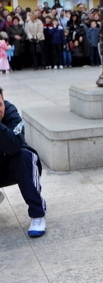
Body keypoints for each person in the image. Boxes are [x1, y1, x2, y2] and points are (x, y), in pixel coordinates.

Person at [0, 88, 46, 236]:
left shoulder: (11, 113)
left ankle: (37, 214)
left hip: (11, 167)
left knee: (24, 155)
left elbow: (13, 145)